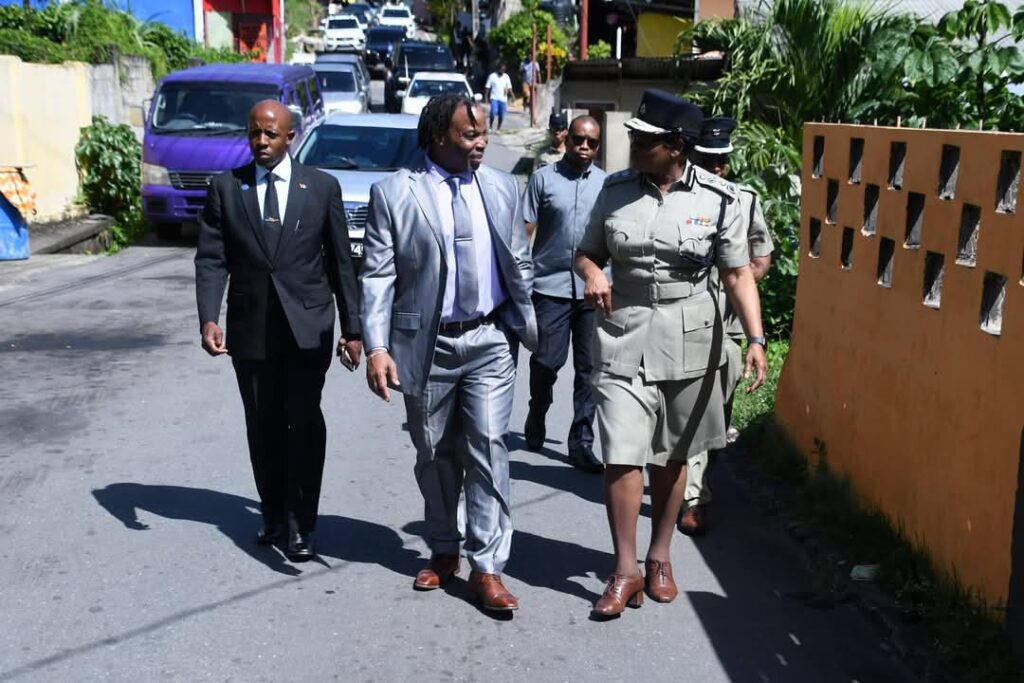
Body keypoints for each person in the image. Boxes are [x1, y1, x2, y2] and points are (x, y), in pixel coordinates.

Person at [573, 89, 768, 618]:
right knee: (621, 450)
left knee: (671, 454)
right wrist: (592, 274)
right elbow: (586, 253)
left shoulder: (720, 199)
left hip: (690, 337)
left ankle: (660, 555)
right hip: (622, 332)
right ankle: (625, 569)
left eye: (646, 139)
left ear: (677, 146)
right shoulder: (614, 191)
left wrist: (755, 339)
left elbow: (736, 274)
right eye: (635, 136)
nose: (634, 143)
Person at [360, 92, 538, 612]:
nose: (482, 141)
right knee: (435, 455)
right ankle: (443, 549)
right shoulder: (395, 193)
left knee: (488, 448)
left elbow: (517, 257)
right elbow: (376, 276)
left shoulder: (503, 186)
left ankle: (487, 567)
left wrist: (521, 321)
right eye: (470, 134)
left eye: (483, 131)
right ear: (439, 137)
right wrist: (376, 346)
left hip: (489, 341)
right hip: (427, 344)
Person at [195, 100, 363, 562]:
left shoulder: (321, 187)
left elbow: (340, 263)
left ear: (291, 137)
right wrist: (209, 316)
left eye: (271, 134)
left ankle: (303, 523)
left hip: (308, 327)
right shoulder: (227, 189)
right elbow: (212, 258)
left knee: (304, 423)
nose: (262, 142)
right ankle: (273, 515)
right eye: (254, 133)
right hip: (251, 332)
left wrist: (353, 329)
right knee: (263, 424)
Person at [679, 116, 775, 536]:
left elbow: (761, 257)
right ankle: (693, 497)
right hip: (682, 322)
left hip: (730, 326)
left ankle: (695, 478)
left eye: (722, 161)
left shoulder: (744, 200)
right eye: (707, 159)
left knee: (718, 412)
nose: (716, 168)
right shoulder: (677, 198)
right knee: (688, 409)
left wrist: (737, 284)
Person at [522, 115, 606, 473]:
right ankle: (537, 410)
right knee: (546, 362)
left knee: (589, 370)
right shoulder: (543, 180)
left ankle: (581, 442)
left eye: (591, 143)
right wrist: (520, 281)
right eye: (578, 140)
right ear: (566, 141)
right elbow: (524, 232)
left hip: (592, 291)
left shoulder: (608, 185)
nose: (584, 147)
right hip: (549, 286)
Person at [484, 63, 513, 132]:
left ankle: (498, 128)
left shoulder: (506, 77)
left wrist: (513, 96)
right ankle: (490, 126)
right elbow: (487, 87)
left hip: (503, 99)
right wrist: (486, 97)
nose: (502, 71)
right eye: (501, 70)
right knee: (493, 113)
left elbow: (509, 88)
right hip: (494, 98)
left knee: (501, 115)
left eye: (503, 70)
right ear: (498, 69)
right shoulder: (492, 76)